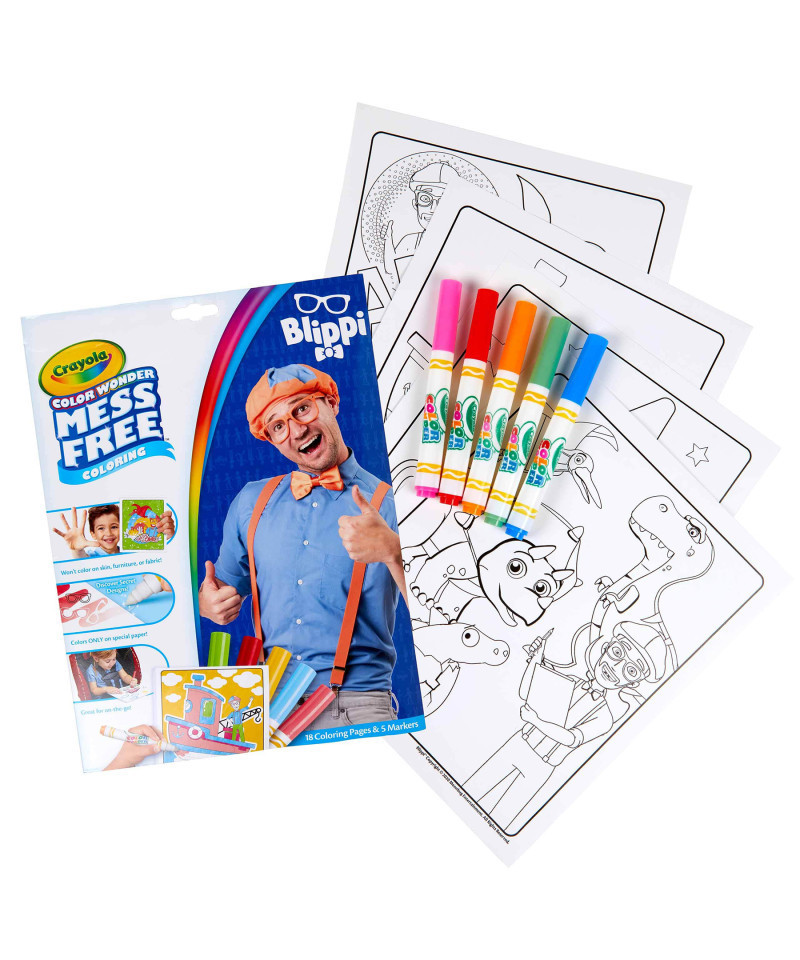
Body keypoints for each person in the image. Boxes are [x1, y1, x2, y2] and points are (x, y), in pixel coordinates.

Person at [199, 363, 407, 730]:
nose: (297, 430)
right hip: (265, 707)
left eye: (302, 409)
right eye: (278, 426)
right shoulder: (251, 502)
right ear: (271, 439)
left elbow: (437, 619)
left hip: (354, 707)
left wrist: (394, 551)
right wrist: (209, 602)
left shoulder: (393, 505)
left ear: (331, 403)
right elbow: (222, 591)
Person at [464, 622, 668, 832]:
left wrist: (536, 721)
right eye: (618, 652)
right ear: (606, 647)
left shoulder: (605, 717)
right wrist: (535, 660)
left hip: (540, 767)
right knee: (473, 787)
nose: (615, 667)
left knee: (501, 819)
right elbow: (527, 693)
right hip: (518, 744)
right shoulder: (569, 680)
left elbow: (571, 739)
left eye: (631, 670)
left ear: (633, 683)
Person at [382, 161, 462, 287]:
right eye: (425, 199)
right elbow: (393, 275)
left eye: (442, 200)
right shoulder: (409, 242)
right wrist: (388, 247)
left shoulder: (458, 247)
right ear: (415, 203)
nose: (433, 209)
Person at [52, 504, 174, 559]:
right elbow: (81, 559)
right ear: (93, 533)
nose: (109, 533)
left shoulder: (132, 550)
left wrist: (169, 535)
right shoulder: (91, 555)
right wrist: (76, 549)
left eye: (114, 527)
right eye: (101, 528)